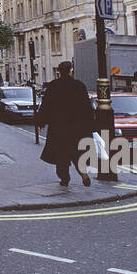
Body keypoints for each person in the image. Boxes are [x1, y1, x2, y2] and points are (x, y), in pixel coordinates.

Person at [36, 60, 96, 188]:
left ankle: (64, 178)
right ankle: (83, 173)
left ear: (59, 72)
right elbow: (86, 107)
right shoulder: (79, 85)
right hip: (77, 127)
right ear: (70, 71)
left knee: (61, 155)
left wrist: (41, 122)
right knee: (76, 152)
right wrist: (90, 124)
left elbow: (46, 105)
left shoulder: (53, 85)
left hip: (59, 127)